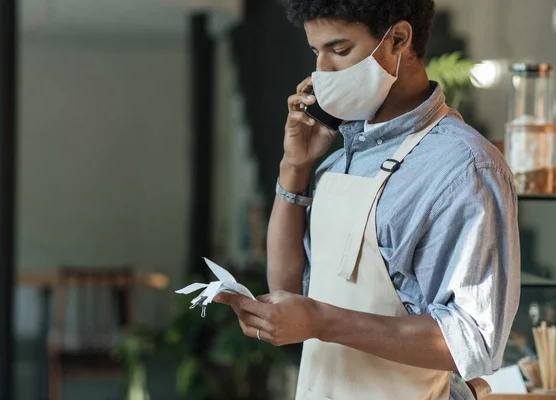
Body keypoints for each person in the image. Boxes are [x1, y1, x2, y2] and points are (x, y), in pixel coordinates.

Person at [215, 0, 521, 399]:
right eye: (315, 52)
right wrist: (294, 168)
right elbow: (289, 289)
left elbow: (474, 340)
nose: (322, 71)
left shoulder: (464, 167)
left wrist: (322, 322)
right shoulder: (339, 160)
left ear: (399, 39)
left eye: (339, 50)